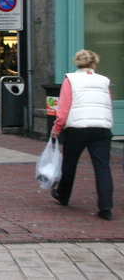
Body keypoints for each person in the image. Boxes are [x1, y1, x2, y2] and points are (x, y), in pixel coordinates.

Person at [50, 49, 114, 220]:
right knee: (102, 167)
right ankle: (106, 207)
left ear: (76, 63)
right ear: (93, 63)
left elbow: (63, 107)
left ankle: (63, 195)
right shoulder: (103, 81)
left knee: (69, 163)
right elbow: (108, 104)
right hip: (101, 128)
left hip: (77, 128)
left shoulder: (70, 79)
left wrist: (57, 127)